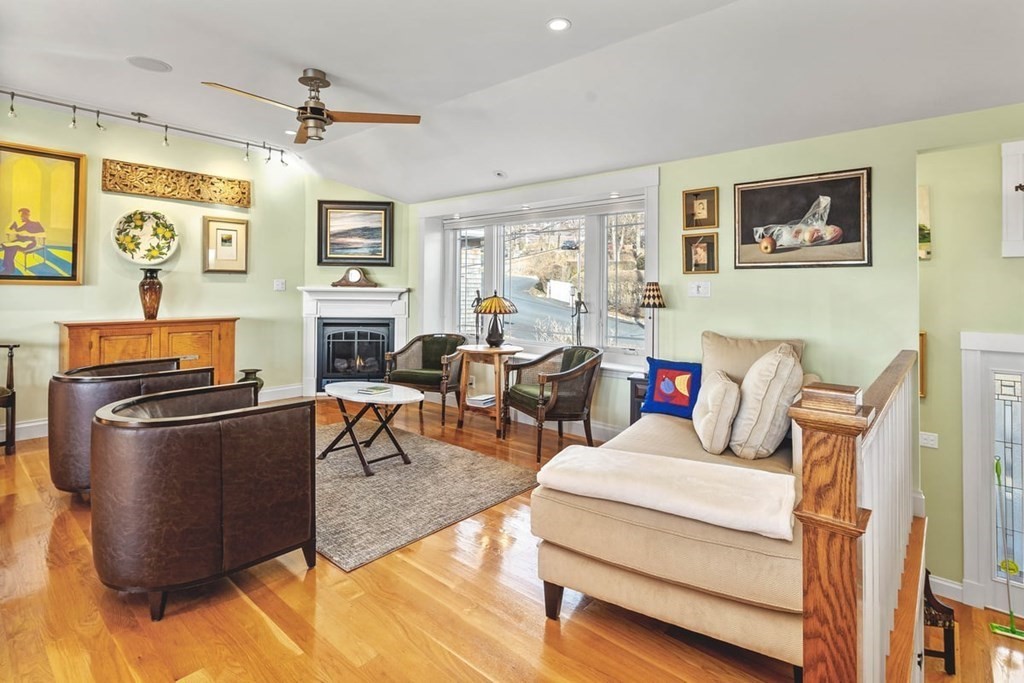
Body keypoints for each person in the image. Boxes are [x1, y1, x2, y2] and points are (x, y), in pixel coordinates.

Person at [2, 208, 45, 274]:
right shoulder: (16, 223)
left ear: (28, 215)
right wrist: (17, 233)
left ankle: (9, 269)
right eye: (20, 216)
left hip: (30, 242)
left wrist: (29, 234)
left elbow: (43, 234)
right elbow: (6, 230)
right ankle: (7, 266)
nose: (22, 217)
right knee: (7, 246)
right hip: (19, 241)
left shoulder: (34, 223)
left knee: (13, 247)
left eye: (24, 215)